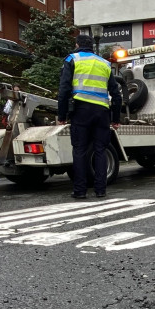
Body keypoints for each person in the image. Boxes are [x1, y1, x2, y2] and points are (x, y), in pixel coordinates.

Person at [58, 35, 122, 198]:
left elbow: (64, 90)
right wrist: (115, 119)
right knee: (100, 150)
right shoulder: (104, 63)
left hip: (81, 111)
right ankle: (101, 190)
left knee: (79, 150)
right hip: (102, 112)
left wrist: (62, 115)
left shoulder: (72, 59)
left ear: (77, 44)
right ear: (92, 47)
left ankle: (80, 191)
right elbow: (116, 94)